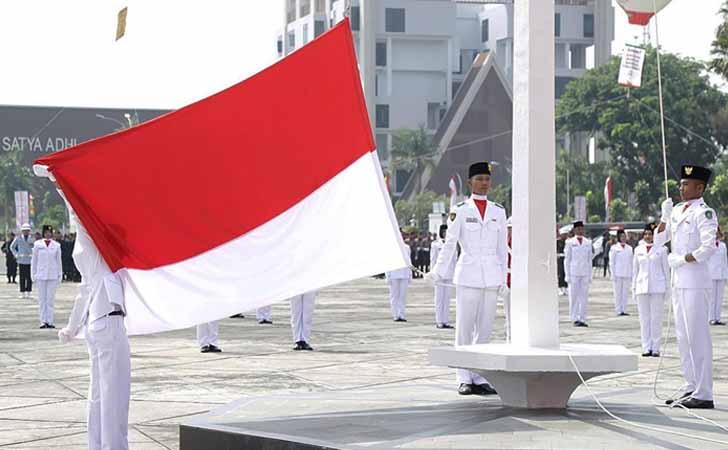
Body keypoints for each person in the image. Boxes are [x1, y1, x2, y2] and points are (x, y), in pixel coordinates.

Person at [57, 200, 131, 450]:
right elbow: (81, 214)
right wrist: (63, 185)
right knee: (114, 393)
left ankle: (97, 445)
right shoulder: (94, 247)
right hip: (108, 322)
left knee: (98, 393)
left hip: (96, 323)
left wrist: (70, 327)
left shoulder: (87, 251)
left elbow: (83, 292)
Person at [429, 162, 507, 396]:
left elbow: (502, 249)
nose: (484, 182)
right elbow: (450, 244)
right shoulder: (461, 210)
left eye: (487, 179)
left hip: (491, 276)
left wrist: (503, 279)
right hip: (468, 275)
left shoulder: (498, 211)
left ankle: (479, 376)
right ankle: (463, 377)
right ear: (470, 181)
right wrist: (438, 271)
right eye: (479, 178)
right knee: (464, 329)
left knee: (485, 329)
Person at [656, 164, 718, 409]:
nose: (681, 188)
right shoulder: (679, 210)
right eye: (681, 184)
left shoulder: (705, 213)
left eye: (686, 184)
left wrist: (682, 260)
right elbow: (661, 239)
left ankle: (704, 392)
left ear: (699, 187)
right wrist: (663, 218)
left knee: (697, 336)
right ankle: (690, 384)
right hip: (679, 282)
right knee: (683, 336)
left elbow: (708, 248)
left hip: (694, 281)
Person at [632, 223, 669, 357]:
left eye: (650, 234)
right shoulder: (638, 250)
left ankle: (656, 347)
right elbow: (635, 271)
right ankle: (646, 347)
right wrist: (634, 288)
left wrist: (667, 289)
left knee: (656, 319)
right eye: (646, 234)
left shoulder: (662, 249)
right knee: (644, 319)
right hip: (642, 287)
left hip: (657, 287)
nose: (648, 236)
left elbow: (666, 271)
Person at [31, 225, 62, 329]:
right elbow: (34, 261)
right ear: (43, 233)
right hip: (40, 275)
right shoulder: (37, 244)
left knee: (50, 300)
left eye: (50, 232)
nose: (48, 234)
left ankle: (50, 321)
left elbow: (59, 261)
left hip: (52, 275)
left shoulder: (56, 245)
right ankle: (43, 321)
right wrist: (33, 274)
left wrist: (60, 274)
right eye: (46, 232)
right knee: (42, 299)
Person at [564, 221, 592, 327]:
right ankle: (574, 317)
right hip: (574, 272)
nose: (580, 230)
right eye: (578, 229)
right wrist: (567, 274)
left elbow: (589, 260)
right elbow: (567, 259)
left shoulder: (588, 242)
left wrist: (590, 275)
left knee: (584, 296)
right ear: (575, 230)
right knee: (574, 296)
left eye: (581, 228)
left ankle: (582, 318)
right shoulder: (570, 242)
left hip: (584, 272)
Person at [430, 224, 455, 329]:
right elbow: (433, 259)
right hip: (439, 275)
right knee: (439, 299)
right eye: (444, 232)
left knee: (447, 299)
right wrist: (432, 274)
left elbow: (454, 260)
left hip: (449, 274)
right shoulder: (436, 245)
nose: (446, 234)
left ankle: (445, 320)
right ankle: (439, 321)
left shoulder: (452, 244)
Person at [386, 242, 412, 322]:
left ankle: (402, 314)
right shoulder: (390, 247)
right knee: (394, 296)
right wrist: (388, 275)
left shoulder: (407, 247)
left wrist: (410, 275)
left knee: (402, 296)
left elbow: (409, 261)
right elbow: (387, 262)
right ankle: (395, 315)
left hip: (404, 274)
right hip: (394, 274)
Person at [609, 230, 633, 316]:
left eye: (624, 236)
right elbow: (612, 262)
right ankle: (618, 310)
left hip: (627, 272)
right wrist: (613, 274)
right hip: (617, 273)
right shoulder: (614, 248)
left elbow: (631, 262)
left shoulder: (629, 248)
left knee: (625, 293)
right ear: (618, 237)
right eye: (622, 236)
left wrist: (632, 274)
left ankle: (624, 309)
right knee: (618, 293)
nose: (623, 238)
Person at [708, 227, 727, 326]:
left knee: (719, 298)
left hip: (721, 274)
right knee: (711, 298)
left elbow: (725, 260)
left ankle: (718, 318)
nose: (716, 234)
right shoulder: (708, 245)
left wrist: (726, 274)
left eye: (717, 232)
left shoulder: (723, 246)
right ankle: (711, 318)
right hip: (710, 274)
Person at [10, 224, 34, 298]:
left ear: (29, 231)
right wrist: (16, 255)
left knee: (29, 277)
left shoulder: (32, 238)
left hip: (30, 259)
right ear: (22, 231)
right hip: (21, 259)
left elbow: (35, 247)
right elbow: (12, 247)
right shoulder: (18, 238)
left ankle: (29, 292)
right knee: (22, 277)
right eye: (24, 230)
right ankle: (22, 292)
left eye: (27, 230)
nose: (26, 232)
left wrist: (33, 254)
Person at [556, 228, 569, 296]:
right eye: (564, 234)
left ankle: (565, 288)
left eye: (566, 234)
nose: (565, 236)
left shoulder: (568, 242)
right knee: (560, 274)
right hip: (560, 259)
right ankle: (560, 288)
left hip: (566, 258)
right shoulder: (558, 241)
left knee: (566, 273)